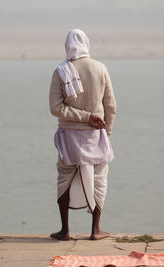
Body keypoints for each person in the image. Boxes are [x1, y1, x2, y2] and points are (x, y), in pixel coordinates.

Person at [49, 29, 116, 241]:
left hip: (69, 137)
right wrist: (107, 132)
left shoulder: (61, 70)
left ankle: (64, 231)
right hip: (96, 136)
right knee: (99, 181)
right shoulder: (100, 68)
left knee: (64, 180)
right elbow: (111, 106)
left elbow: (55, 107)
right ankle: (96, 230)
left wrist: (83, 117)